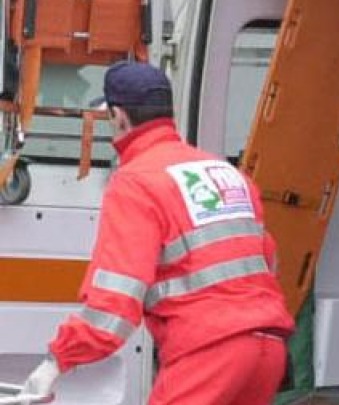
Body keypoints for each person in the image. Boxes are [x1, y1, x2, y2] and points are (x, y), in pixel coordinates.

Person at [20, 61, 295, 405]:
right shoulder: (227, 173)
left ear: (119, 116)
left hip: (210, 353)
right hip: (269, 350)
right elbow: (267, 260)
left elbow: (114, 305)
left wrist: (56, 361)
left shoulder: (136, 182)